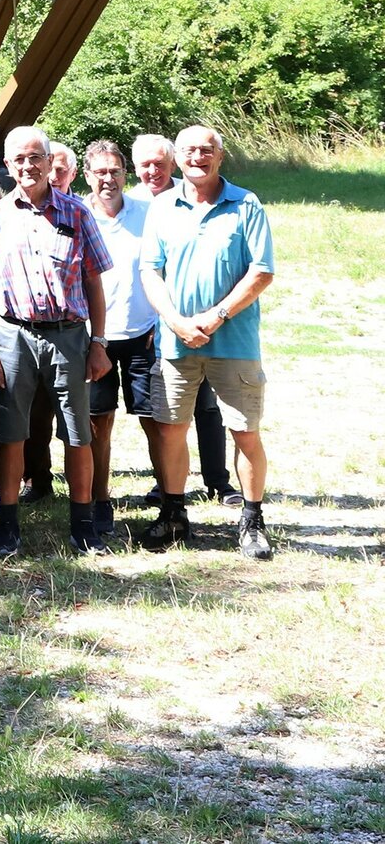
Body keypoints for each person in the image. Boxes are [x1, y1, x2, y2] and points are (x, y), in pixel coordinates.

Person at [0, 126, 114, 560]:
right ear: (9, 165)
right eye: (19, 159)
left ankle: (83, 525)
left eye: (35, 157)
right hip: (13, 335)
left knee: (77, 434)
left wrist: (98, 342)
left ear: (50, 162)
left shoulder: (76, 213)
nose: (27, 166)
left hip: (68, 336)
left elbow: (94, 283)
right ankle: (8, 525)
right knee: (11, 435)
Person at [138, 127, 276, 560]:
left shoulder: (246, 204)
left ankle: (252, 521)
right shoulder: (162, 207)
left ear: (220, 156)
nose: (198, 156)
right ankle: (174, 514)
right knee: (171, 430)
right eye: (190, 150)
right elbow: (149, 271)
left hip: (233, 340)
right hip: (176, 343)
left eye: (206, 149)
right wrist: (176, 321)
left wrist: (214, 317)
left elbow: (262, 271)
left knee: (244, 432)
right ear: (177, 158)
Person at [127, 132, 240, 506]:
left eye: (159, 163)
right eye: (144, 164)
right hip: (155, 325)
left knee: (207, 407)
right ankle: (168, 486)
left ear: (172, 163)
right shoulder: (131, 204)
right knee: (166, 415)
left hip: (200, 323)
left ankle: (218, 482)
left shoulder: (192, 191)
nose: (152, 171)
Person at [82, 140, 156, 539]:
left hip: (144, 333)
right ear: (87, 175)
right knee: (98, 425)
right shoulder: (77, 215)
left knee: (156, 421)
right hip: (98, 338)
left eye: (114, 171)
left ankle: (169, 498)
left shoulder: (149, 214)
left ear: (124, 174)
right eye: (100, 172)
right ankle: (99, 501)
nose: (107, 178)